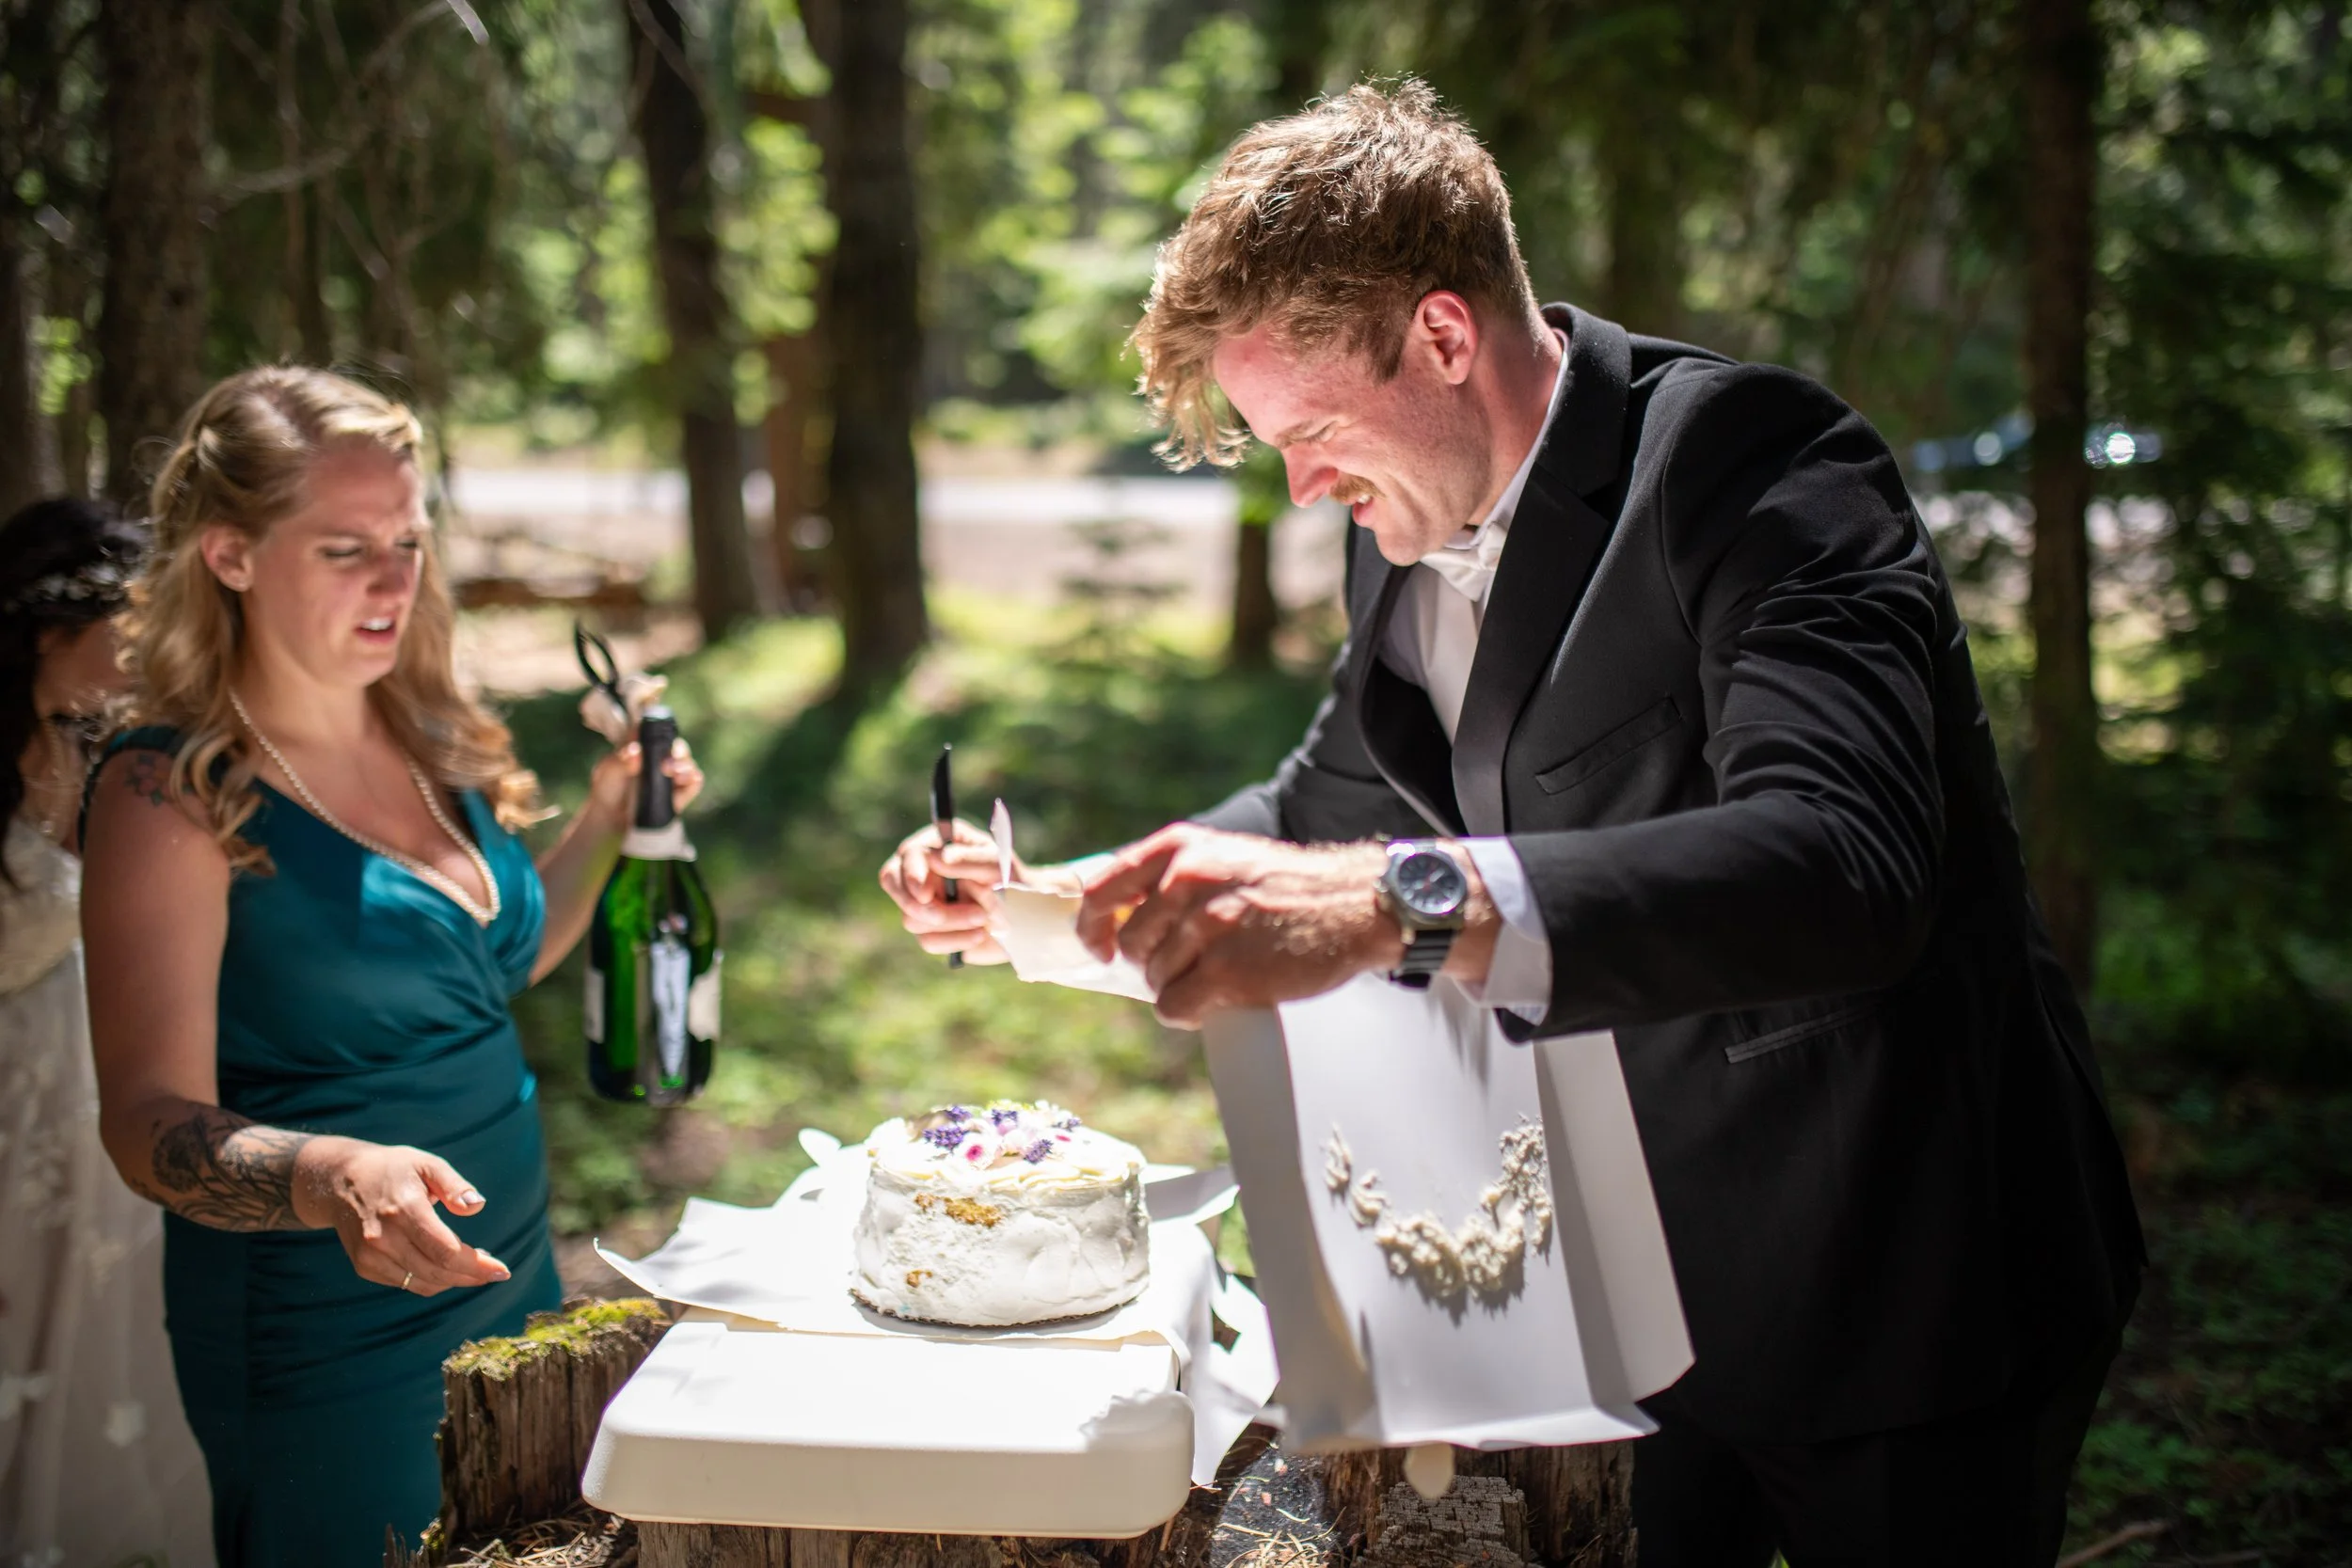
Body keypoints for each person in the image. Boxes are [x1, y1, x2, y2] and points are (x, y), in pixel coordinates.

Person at [881, 82, 2144, 1566]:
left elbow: (1843, 861)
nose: (1300, 483)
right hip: (1634, 1306)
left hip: (1904, 1278)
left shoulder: (1759, 467)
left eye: (1316, 428)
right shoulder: (1400, 533)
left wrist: (1400, 901)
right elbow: (1323, 812)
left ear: (1442, 334)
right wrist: (1053, 896)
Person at [79, 367, 701, 1567]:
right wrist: (332, 1175)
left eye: (409, 540)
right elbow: (140, 1122)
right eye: (344, 547)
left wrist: (616, 811)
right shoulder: (168, 789)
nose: (393, 580)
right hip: (320, 1329)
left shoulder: (423, 730)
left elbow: (492, 965)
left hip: (506, 1276)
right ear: (231, 554)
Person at [0, 498, 215, 1568]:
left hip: (102, 1075)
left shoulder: (119, 762)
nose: (142, 655)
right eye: (123, 627)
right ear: (45, 631)